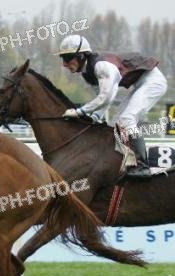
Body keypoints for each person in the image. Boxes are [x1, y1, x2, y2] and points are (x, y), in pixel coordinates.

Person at [57, 34, 168, 180]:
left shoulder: (101, 66)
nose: (64, 64)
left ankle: (142, 166)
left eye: (67, 58)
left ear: (81, 56)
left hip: (153, 82)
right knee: (116, 123)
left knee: (127, 119)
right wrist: (95, 116)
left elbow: (106, 97)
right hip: (141, 83)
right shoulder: (87, 73)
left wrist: (79, 112)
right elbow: (105, 98)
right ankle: (124, 162)